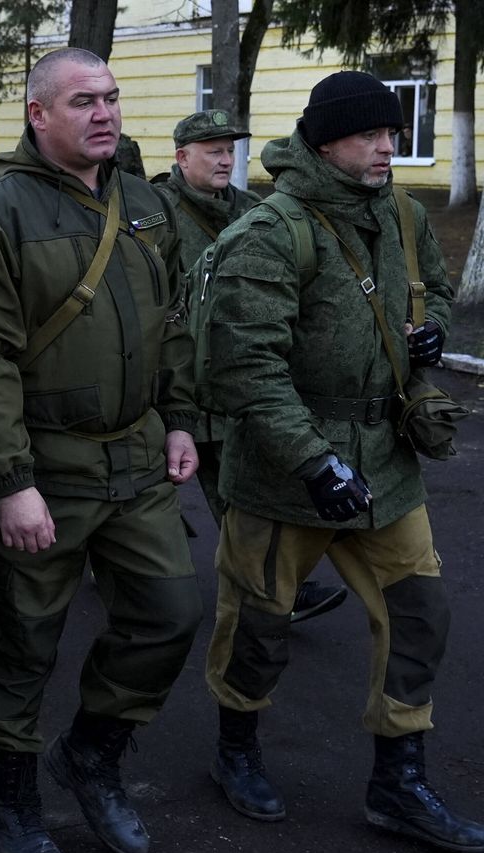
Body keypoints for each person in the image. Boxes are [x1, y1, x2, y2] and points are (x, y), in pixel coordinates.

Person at [202, 71, 484, 853]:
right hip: (284, 469)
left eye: (393, 133)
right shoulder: (270, 232)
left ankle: (398, 780)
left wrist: (426, 331)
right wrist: (314, 463)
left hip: (386, 463)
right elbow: (246, 370)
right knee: (259, 624)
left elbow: (437, 288)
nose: (389, 147)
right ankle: (236, 751)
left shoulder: (397, 210)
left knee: (422, 614)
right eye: (371, 135)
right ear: (325, 142)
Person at [0, 48, 203, 853]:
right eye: (83, 100)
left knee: (169, 609)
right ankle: (11, 800)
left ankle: (90, 754)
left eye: (113, 99)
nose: (105, 113)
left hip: (134, 450)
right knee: (24, 638)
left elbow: (173, 325)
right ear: (38, 115)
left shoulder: (147, 204)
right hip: (45, 462)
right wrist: (11, 480)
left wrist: (180, 420)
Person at [155, 109, 347, 623]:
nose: (226, 159)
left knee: (238, 500)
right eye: (213, 150)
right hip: (173, 384)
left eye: (230, 149)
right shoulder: (156, 212)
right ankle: (123, 575)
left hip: (232, 383)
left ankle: (271, 591)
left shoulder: (251, 208)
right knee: (148, 494)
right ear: (182, 157)